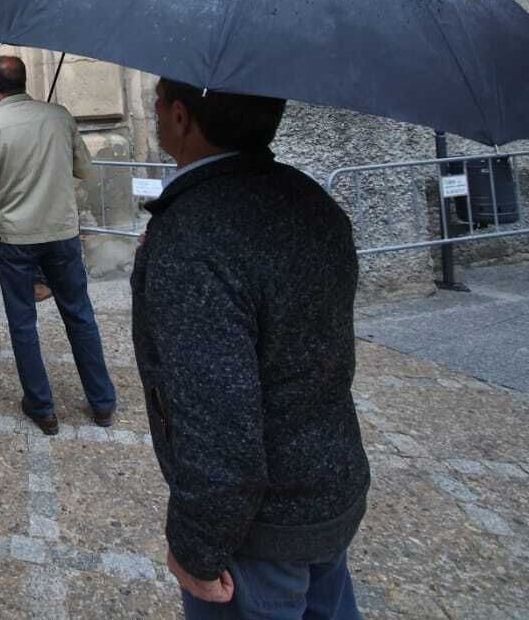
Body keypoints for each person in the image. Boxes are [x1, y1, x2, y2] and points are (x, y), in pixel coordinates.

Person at [136, 79, 369, 619]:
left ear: (180, 117)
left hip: (256, 531)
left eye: (157, 102)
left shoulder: (194, 234)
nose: (155, 111)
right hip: (329, 486)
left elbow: (219, 420)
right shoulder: (310, 199)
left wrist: (197, 545)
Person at [0, 56, 115, 436]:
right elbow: (84, 169)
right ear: (25, 80)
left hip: (14, 238)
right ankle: (102, 402)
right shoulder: (59, 116)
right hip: (60, 232)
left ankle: (42, 407)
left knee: (23, 322)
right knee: (80, 314)